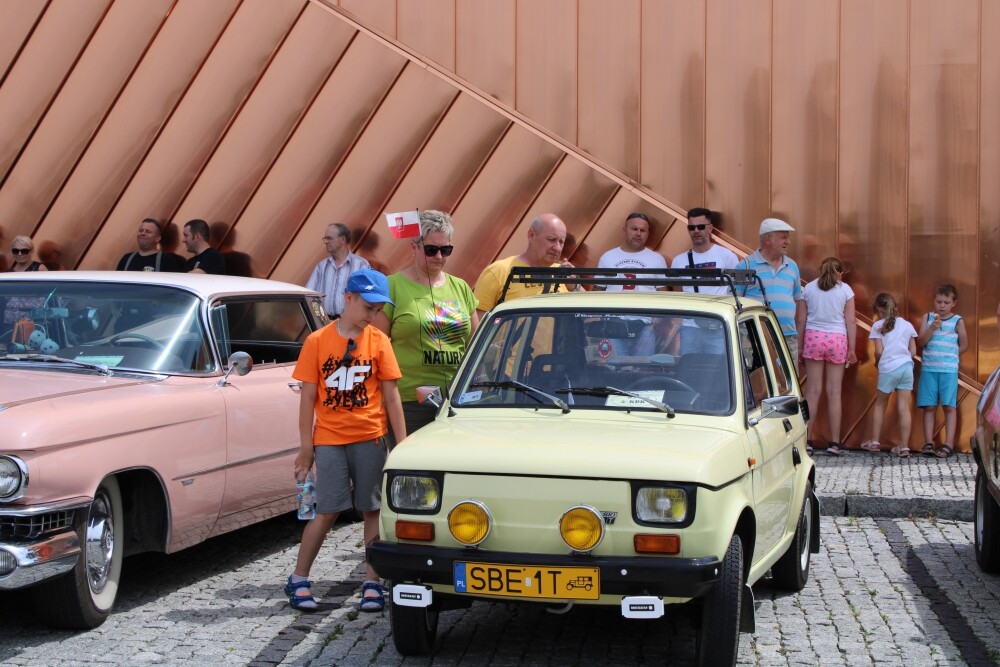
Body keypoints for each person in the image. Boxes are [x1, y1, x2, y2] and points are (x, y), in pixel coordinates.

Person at [284, 268, 407, 613]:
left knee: (372, 510)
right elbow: (308, 397)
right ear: (348, 299)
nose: (373, 315)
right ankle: (298, 579)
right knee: (326, 511)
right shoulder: (317, 341)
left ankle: (373, 581)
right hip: (330, 440)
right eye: (369, 307)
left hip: (370, 437)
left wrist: (403, 443)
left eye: (378, 309)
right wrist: (306, 448)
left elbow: (391, 396)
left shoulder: (378, 341)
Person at [374, 210, 479, 436]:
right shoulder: (392, 286)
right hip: (409, 401)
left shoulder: (460, 287)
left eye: (446, 249)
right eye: (431, 250)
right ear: (414, 248)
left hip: (456, 399)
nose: (439, 256)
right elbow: (376, 345)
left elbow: (476, 345)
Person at [797, 257, 856, 455]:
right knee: (834, 393)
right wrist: (852, 349)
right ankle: (834, 442)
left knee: (812, 392)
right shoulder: (845, 290)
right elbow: (851, 321)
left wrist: (799, 347)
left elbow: (801, 320)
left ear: (820, 270)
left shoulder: (809, 289)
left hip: (813, 337)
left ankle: (807, 440)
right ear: (840, 273)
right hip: (837, 339)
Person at [474, 213, 577, 318]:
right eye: (551, 239)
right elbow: (478, 326)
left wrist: (573, 287)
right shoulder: (498, 271)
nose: (558, 248)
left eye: (561, 242)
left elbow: (589, 315)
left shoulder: (565, 275)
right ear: (531, 235)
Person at [670, 207, 740, 354]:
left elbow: (737, 291)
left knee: (718, 371)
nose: (696, 231)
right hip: (690, 327)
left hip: (719, 325)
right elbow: (678, 295)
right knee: (689, 369)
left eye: (700, 227)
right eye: (691, 227)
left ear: (710, 228)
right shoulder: (678, 260)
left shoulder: (727, 256)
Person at [737, 218, 804, 360]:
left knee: (788, 382)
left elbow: (798, 300)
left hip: (787, 338)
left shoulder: (792, 266)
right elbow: (734, 301)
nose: (788, 242)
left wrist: (796, 332)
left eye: (788, 238)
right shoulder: (746, 265)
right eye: (783, 238)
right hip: (754, 338)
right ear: (768, 239)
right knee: (757, 382)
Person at [861, 293, 918, 458]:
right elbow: (913, 351)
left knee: (880, 404)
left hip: (888, 368)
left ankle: (875, 442)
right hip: (906, 368)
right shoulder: (907, 325)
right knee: (903, 407)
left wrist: (878, 363)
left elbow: (878, 351)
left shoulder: (878, 325)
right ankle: (904, 447)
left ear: (879, 310)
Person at [916, 283, 968, 459]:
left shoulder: (957, 321)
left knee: (948, 406)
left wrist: (951, 355)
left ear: (954, 303)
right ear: (934, 301)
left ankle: (948, 445)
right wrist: (932, 327)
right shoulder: (927, 317)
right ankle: (928, 443)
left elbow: (964, 344)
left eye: (946, 302)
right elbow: (921, 342)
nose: (942, 306)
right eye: (939, 302)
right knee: (929, 406)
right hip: (929, 369)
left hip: (948, 370)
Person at [305, 223, 370, 319]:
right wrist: (320, 317)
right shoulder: (322, 266)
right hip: (325, 323)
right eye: (325, 238)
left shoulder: (361, 265)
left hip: (350, 323)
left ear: (342, 239)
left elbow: (367, 296)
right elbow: (309, 295)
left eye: (329, 238)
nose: (326, 242)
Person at [116, 218, 181, 272]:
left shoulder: (166, 261)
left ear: (157, 238)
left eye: (148, 231)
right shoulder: (126, 259)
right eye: (141, 230)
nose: (143, 233)